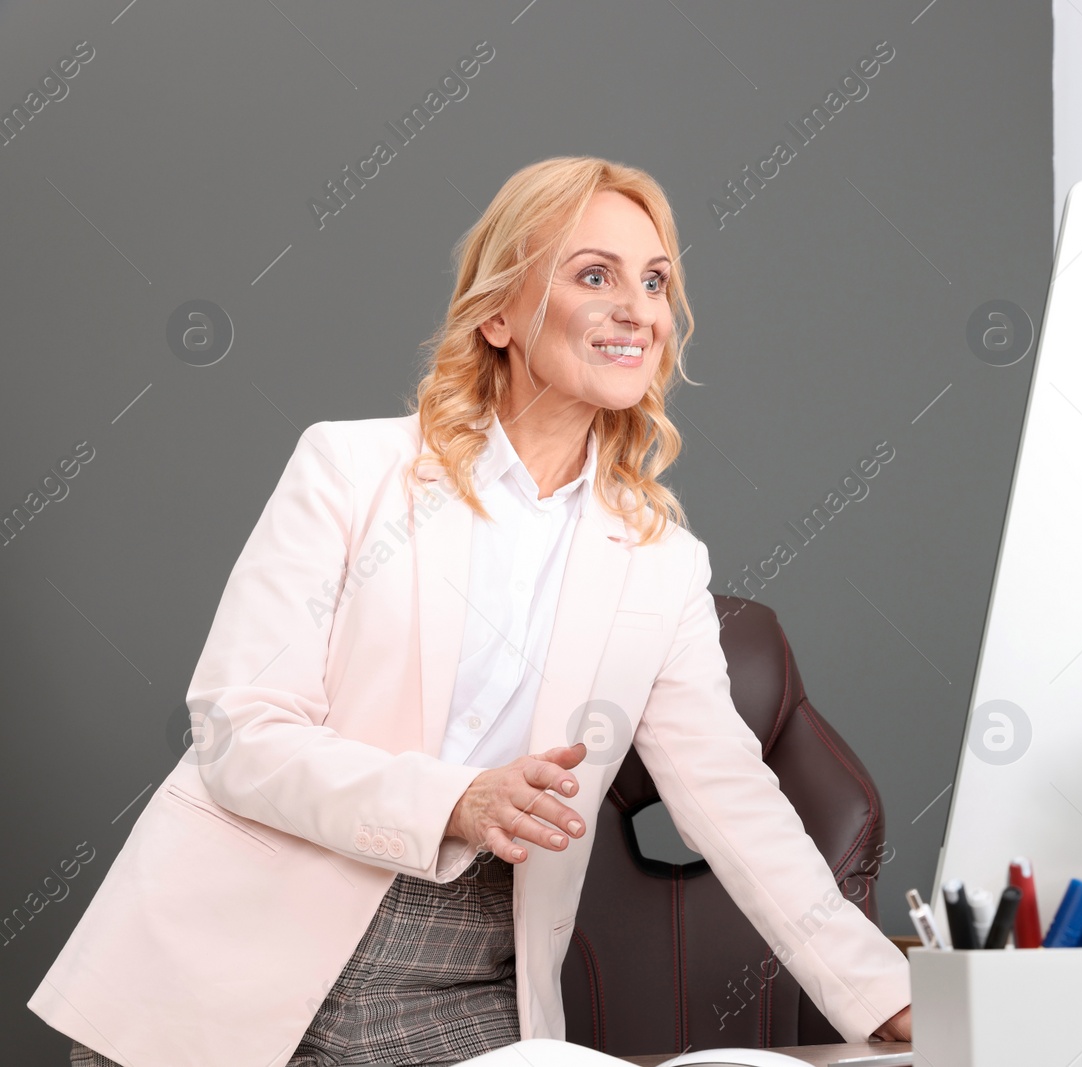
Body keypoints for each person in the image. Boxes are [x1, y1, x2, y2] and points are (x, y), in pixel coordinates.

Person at [32, 156, 913, 1067]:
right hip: (231, 954)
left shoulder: (660, 562)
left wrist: (886, 999)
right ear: (497, 315)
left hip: (460, 977)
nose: (639, 309)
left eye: (655, 281)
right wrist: (459, 798)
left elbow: (733, 801)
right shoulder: (349, 471)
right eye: (593, 274)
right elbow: (239, 731)